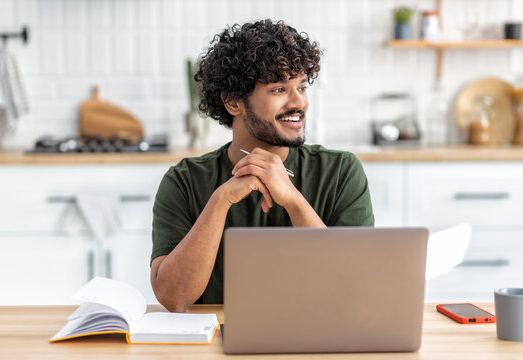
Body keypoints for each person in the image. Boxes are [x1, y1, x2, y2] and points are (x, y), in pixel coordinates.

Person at [151, 19, 374, 312]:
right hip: (217, 346)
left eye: (302, 87)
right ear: (233, 103)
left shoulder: (341, 172)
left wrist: (294, 201)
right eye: (279, 89)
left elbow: (355, 288)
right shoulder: (185, 180)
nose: (299, 103)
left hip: (316, 342)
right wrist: (220, 201)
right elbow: (173, 297)